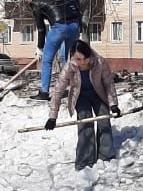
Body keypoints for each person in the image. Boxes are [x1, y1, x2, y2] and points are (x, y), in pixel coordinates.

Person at [44, 39, 120, 169]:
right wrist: (52, 117)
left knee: (104, 120)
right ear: (72, 55)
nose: (82, 62)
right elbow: (57, 91)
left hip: (98, 94)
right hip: (81, 97)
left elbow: (108, 84)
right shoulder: (69, 67)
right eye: (78, 59)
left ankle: (106, 156)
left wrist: (113, 104)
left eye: (85, 59)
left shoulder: (100, 62)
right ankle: (85, 161)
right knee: (85, 123)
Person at [23, 0, 82, 99]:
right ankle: (74, 88)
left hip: (59, 27)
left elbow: (41, 28)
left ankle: (44, 92)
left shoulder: (36, 3)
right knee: (68, 59)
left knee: (47, 61)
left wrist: (40, 48)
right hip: (73, 26)